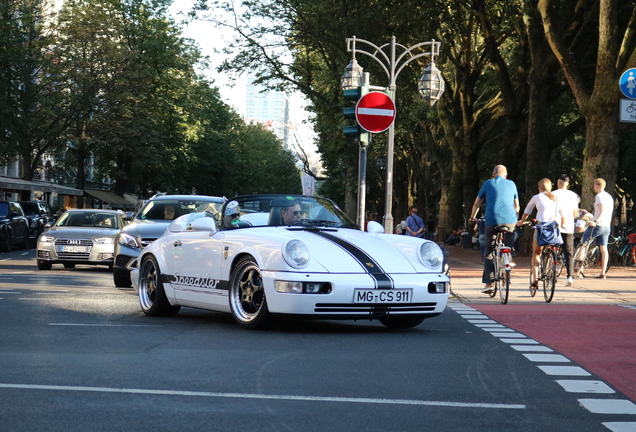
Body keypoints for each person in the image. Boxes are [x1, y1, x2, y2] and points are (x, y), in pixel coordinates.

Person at [469, 165, 520, 294]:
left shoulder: (488, 183)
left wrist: (472, 217)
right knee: (507, 245)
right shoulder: (512, 184)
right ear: (506, 175)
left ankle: (489, 283)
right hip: (510, 221)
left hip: (492, 220)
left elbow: (477, 203)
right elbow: (517, 206)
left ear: (493, 174)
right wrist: (514, 217)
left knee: (489, 250)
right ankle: (508, 259)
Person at [516, 178, 566, 289]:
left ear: (539, 188)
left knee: (537, 252)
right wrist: (563, 224)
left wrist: (521, 222)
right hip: (553, 227)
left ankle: (535, 279)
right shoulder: (556, 198)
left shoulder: (536, 197)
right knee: (551, 247)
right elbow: (563, 214)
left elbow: (527, 212)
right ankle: (551, 263)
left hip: (541, 227)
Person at [582, 178, 614, 278]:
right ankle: (602, 273)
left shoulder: (599, 196)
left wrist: (595, 221)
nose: (593, 187)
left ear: (597, 186)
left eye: (594, 185)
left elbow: (601, 211)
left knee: (583, 244)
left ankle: (578, 269)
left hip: (598, 225)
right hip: (606, 226)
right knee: (603, 248)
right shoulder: (609, 197)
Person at [552, 174, 580, 287]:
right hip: (568, 226)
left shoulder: (553, 194)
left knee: (551, 248)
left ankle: (551, 271)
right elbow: (575, 213)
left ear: (558, 183)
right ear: (568, 184)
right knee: (569, 253)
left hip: (554, 225)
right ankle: (569, 276)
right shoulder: (573, 195)